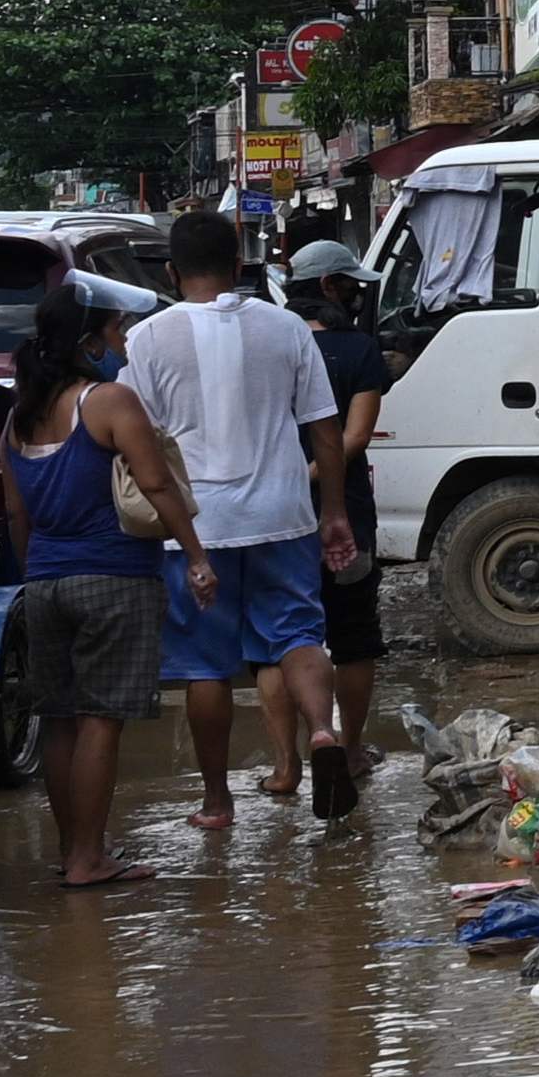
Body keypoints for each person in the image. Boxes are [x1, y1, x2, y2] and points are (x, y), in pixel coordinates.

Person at [122, 214, 358, 826]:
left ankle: (217, 801)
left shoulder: (147, 338)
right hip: (284, 514)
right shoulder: (285, 328)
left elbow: (138, 443)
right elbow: (324, 432)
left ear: (171, 273)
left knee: (206, 666)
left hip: (195, 527)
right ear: (238, 267)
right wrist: (333, 511)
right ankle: (326, 736)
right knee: (300, 637)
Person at [0, 283, 219, 886]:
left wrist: (34, 571)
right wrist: (195, 557)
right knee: (100, 720)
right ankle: (89, 859)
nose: (122, 344)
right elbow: (158, 486)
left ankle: (74, 852)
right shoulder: (109, 401)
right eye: (116, 333)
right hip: (115, 578)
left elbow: (17, 516)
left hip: (45, 582)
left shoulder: (18, 420)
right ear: (89, 343)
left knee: (61, 721)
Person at [256, 239, 396, 802]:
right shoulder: (360, 350)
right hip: (347, 515)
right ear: (332, 289)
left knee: (278, 641)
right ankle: (352, 749)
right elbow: (354, 439)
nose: (360, 295)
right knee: (354, 638)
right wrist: (315, 478)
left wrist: (286, 481)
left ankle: (286, 765)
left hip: (275, 515)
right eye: (353, 285)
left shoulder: (269, 346)